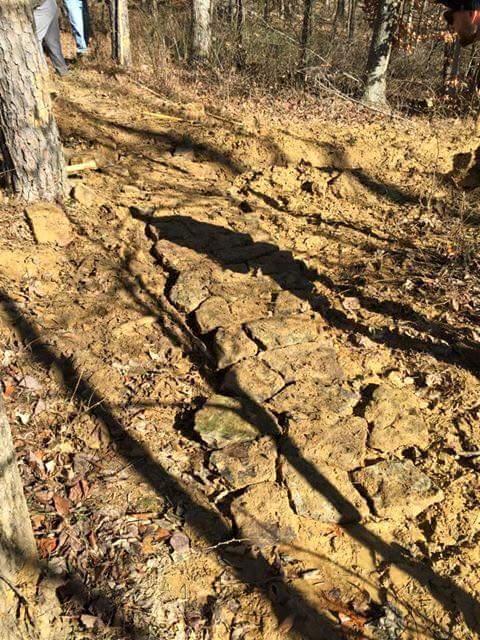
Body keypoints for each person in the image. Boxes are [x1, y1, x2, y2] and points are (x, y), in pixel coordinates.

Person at [33, 0, 69, 76]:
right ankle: (63, 72)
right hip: (48, 4)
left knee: (33, 42)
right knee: (53, 42)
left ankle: (39, 75)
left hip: (40, 7)